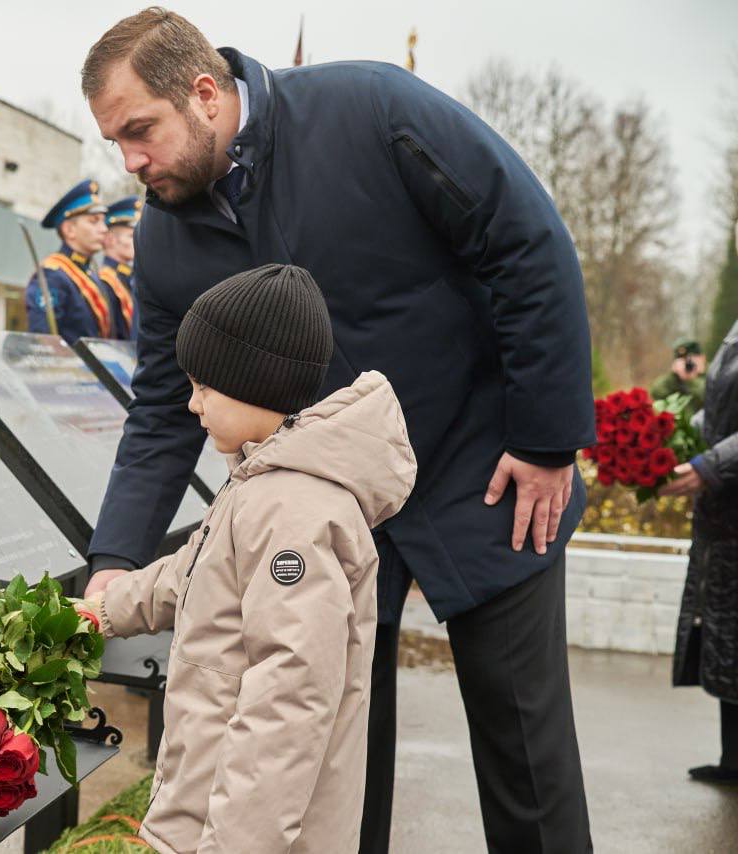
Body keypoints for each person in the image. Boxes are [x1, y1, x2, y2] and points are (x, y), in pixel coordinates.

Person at [81, 9, 595, 852]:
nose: (131, 162)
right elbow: (164, 407)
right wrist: (114, 564)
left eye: (141, 131)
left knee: (525, 755)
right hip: (323, 516)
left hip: (487, 471)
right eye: (115, 142)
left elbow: (524, 243)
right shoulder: (164, 237)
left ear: (205, 94)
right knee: (332, 763)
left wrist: (545, 441)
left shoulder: (373, 110)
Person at [83, 264, 416, 853]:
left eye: (203, 387)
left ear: (251, 380)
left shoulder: (293, 509)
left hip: (244, 832)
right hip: (207, 803)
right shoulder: (263, 482)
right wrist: (105, 609)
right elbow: (192, 572)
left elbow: (290, 698)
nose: (191, 405)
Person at [663, 312, 738, 784]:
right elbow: (720, 409)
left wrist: (712, 464)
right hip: (724, 516)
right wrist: (675, 435)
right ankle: (733, 760)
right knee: (727, 640)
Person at [25, 179, 112, 344]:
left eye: (103, 221)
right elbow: (43, 339)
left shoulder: (90, 275)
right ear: (69, 229)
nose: (104, 229)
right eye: (94, 221)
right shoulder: (52, 275)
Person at [99, 195, 142, 341]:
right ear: (110, 240)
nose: (137, 241)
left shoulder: (129, 278)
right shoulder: (105, 280)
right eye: (131, 236)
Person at [649, 336, 707, 420]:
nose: (688, 364)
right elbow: (655, 392)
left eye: (690, 359)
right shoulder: (673, 380)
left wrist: (691, 380)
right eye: (683, 361)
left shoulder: (712, 374)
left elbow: (707, 397)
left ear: (702, 358)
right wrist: (674, 374)